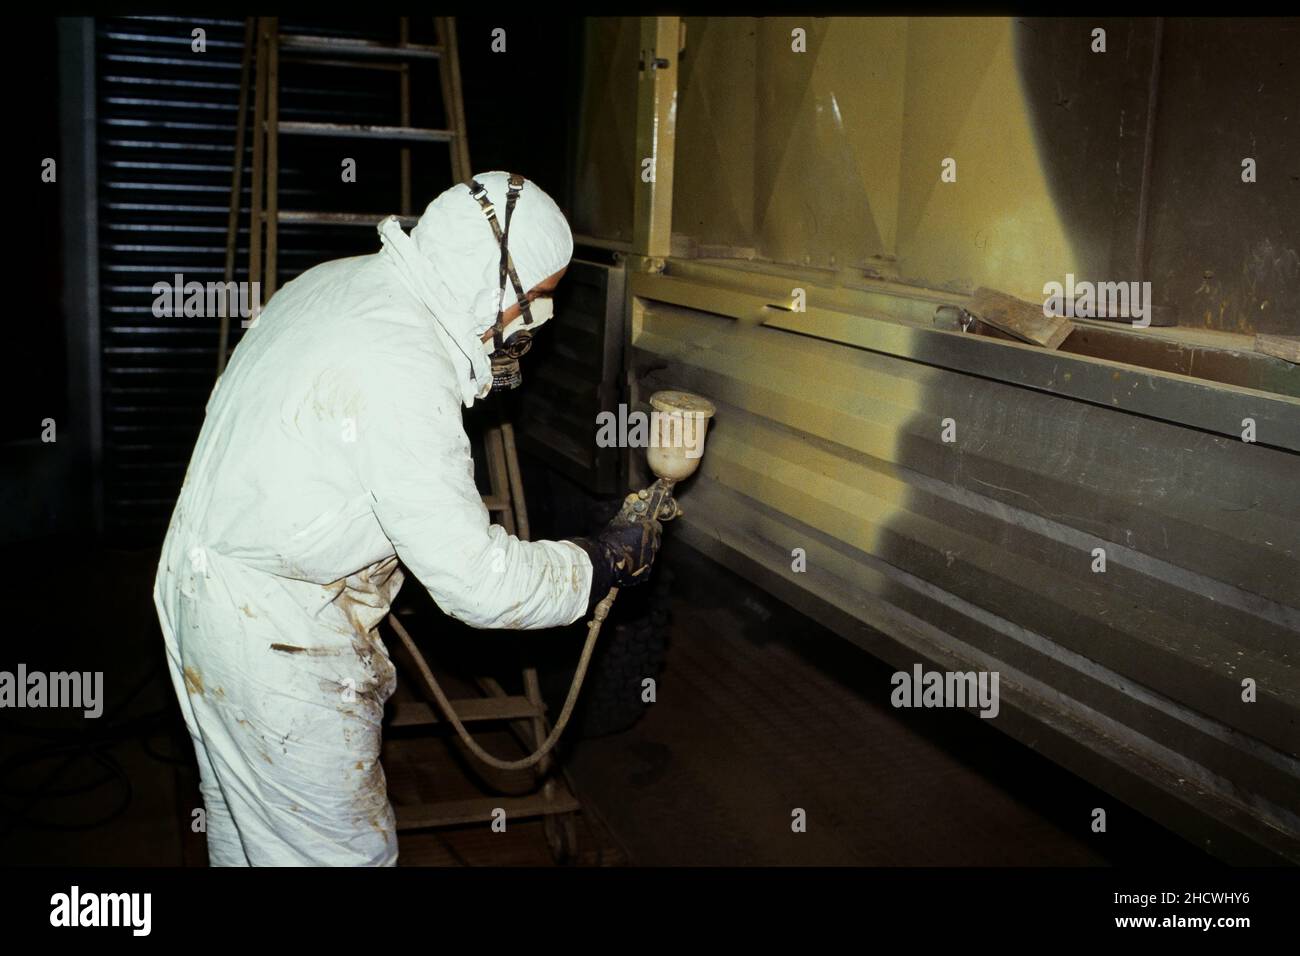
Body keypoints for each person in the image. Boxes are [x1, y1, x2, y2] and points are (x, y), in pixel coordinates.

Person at [153, 171, 661, 866]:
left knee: (252, 843)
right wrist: (597, 561)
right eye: (540, 296)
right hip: (271, 636)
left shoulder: (340, 283)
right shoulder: (406, 364)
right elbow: (478, 583)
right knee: (338, 857)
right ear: (492, 280)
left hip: (202, 582)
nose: (542, 319)